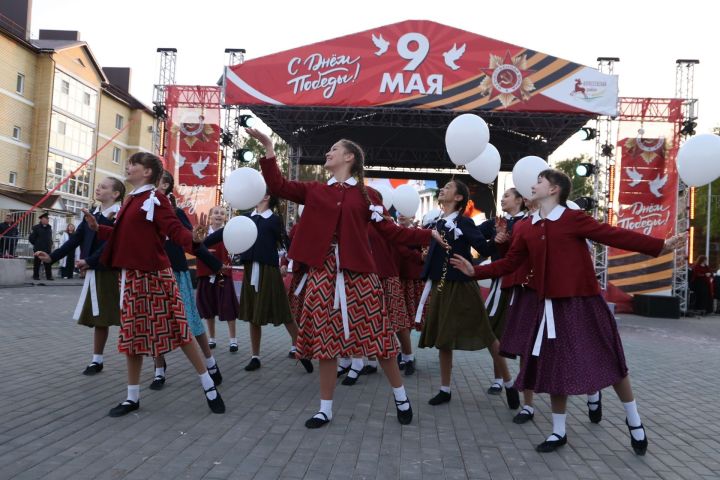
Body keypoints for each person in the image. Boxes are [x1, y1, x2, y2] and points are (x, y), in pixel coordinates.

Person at [450, 169, 683, 454]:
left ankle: (633, 419)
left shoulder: (573, 219)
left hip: (583, 303)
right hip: (548, 307)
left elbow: (613, 234)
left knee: (610, 361)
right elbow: (511, 262)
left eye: (539, 181)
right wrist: (477, 270)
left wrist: (659, 245)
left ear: (554, 189)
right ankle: (558, 431)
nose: (532, 185)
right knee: (555, 366)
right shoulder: (526, 227)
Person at [248, 127, 443, 428]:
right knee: (326, 343)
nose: (328, 152)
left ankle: (401, 397)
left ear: (349, 157)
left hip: (359, 274)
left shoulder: (367, 194)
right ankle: (325, 408)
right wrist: (269, 148)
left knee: (378, 339)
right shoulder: (316, 190)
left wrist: (427, 233)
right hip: (322, 273)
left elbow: (391, 231)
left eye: (334, 149)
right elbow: (277, 184)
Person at [86, 152, 225, 417]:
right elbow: (121, 235)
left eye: (133, 164)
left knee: (179, 330)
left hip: (155, 276)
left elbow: (175, 229)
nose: (127, 167)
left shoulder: (155, 199)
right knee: (132, 336)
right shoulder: (132, 199)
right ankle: (132, 397)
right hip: (131, 277)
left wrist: (194, 240)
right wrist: (98, 229)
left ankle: (208, 384)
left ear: (147, 171)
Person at [417, 179, 520, 410]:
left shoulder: (464, 222)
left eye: (449, 187)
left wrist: (496, 241)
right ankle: (445, 389)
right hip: (441, 286)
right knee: (443, 338)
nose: (442, 189)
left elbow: (483, 248)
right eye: (443, 187)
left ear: (459, 198)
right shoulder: (437, 221)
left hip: (463, 286)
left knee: (487, 334)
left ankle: (509, 382)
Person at [35, 177, 125, 375]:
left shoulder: (119, 215)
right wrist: (52, 257)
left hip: (116, 273)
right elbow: (75, 240)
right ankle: (97, 360)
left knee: (128, 318)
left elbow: (111, 244)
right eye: (99, 185)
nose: (98, 188)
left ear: (116, 194)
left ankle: (157, 365)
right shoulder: (92, 214)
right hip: (97, 271)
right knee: (100, 317)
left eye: (103, 186)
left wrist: (90, 261)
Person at [150, 170, 224, 391]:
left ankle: (210, 363)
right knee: (155, 323)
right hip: (153, 273)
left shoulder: (175, 212)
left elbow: (192, 243)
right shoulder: (142, 210)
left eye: (157, 181)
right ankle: (159, 370)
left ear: (165, 186)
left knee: (191, 321)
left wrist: (215, 264)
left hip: (177, 273)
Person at [478, 188, 527, 398]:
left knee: (526, 336)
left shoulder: (530, 222)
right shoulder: (495, 222)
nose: (502, 199)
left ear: (520, 200)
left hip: (524, 286)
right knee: (489, 329)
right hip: (500, 282)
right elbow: (479, 242)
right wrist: (493, 241)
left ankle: (525, 386)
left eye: (507, 195)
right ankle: (501, 379)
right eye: (503, 195)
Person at [198, 206, 239, 352]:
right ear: (210, 216)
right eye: (216, 213)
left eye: (222, 213)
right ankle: (212, 338)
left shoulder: (228, 233)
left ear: (225, 218)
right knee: (208, 308)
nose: (219, 215)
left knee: (228, 307)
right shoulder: (202, 232)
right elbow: (195, 247)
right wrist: (203, 251)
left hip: (223, 273)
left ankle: (233, 340)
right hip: (205, 273)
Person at [29, 212, 54, 280]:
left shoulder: (49, 228)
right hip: (38, 248)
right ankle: (36, 276)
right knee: (37, 263)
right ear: (41, 219)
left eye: (48, 219)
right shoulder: (36, 227)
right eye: (46, 219)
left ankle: (49, 276)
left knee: (48, 262)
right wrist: (37, 244)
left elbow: (49, 238)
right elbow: (31, 238)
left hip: (47, 248)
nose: (47, 220)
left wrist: (50, 243)